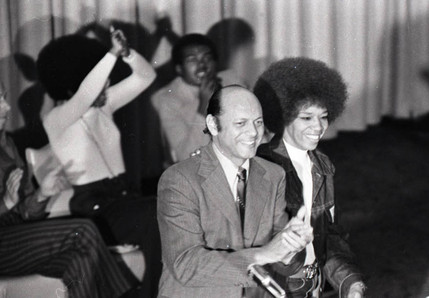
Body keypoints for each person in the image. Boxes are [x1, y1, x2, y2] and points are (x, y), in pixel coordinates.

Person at [157, 85, 314, 298]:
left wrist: (291, 248)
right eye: (241, 123)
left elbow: (279, 250)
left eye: (258, 123)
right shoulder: (179, 179)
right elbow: (186, 264)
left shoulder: (273, 174)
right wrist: (263, 254)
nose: (253, 133)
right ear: (213, 125)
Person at [37, 30, 161, 297]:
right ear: (74, 82)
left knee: (167, 207)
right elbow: (84, 95)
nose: (107, 86)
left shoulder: (103, 105)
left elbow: (146, 76)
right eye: (101, 80)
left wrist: (126, 53)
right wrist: (111, 54)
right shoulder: (56, 119)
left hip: (124, 199)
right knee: (154, 215)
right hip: (94, 210)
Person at [0, 81, 136, 298]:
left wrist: (42, 194)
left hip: (13, 239)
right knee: (83, 230)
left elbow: (25, 213)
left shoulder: (7, 144)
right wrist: (5, 203)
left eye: (4, 98)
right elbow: (10, 207)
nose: (7, 107)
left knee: (80, 258)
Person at [255, 57, 367, 298]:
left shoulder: (323, 166)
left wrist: (349, 281)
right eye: (306, 118)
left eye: (323, 116)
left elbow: (329, 237)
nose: (318, 126)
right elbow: (256, 248)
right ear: (282, 116)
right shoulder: (261, 167)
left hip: (310, 287)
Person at [151, 33, 246, 165]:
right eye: (192, 60)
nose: (202, 66)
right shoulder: (167, 100)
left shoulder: (232, 79)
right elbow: (187, 156)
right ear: (179, 68)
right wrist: (205, 107)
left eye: (207, 58)